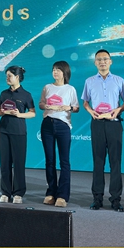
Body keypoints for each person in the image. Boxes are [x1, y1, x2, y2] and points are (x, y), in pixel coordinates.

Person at [81, 50, 124, 212]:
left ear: (110, 61)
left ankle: (116, 199)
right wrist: (90, 111)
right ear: (95, 62)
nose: (102, 62)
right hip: (97, 124)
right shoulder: (89, 81)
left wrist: (118, 110)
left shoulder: (119, 80)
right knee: (98, 162)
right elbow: (85, 102)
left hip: (114, 124)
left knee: (115, 162)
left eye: (105, 59)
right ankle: (97, 198)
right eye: (99, 59)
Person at [38, 61, 79, 208]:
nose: (55, 72)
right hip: (47, 124)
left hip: (63, 125)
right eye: (54, 69)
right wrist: (46, 106)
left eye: (58, 70)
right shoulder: (47, 87)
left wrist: (68, 107)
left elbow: (76, 107)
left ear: (65, 72)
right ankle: (51, 192)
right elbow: (41, 104)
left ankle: (62, 195)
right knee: (49, 160)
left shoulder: (70, 89)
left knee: (64, 161)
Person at [0, 66, 36, 204]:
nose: (7, 78)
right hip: (3, 130)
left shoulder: (26, 95)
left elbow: (32, 113)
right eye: (6, 76)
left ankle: (18, 193)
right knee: (4, 163)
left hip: (19, 131)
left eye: (10, 76)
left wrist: (19, 114)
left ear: (17, 77)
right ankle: (5, 192)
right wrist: (3, 112)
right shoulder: (3, 94)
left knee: (18, 163)